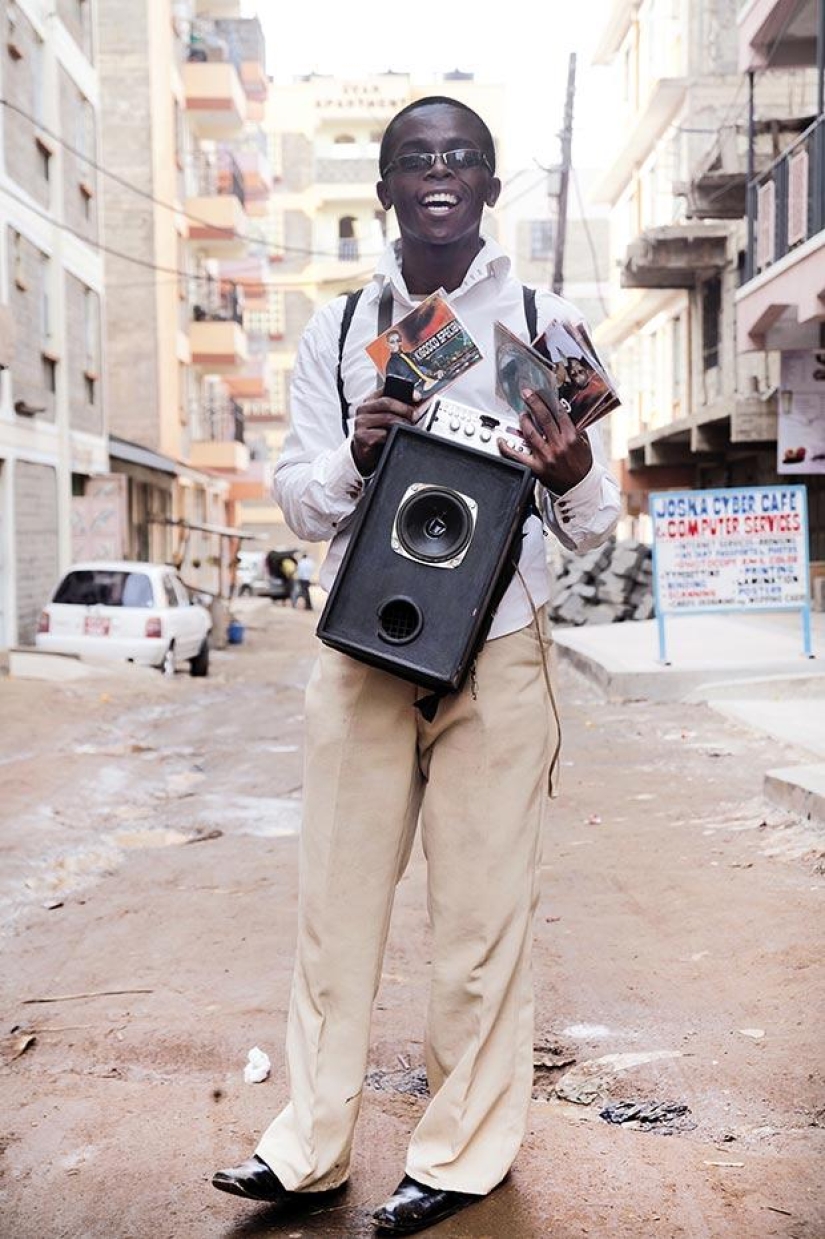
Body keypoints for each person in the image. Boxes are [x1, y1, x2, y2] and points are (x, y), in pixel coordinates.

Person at [212, 96, 620, 1234]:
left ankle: (460, 1156)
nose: (438, 173)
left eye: (463, 159)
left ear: (492, 186)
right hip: (364, 648)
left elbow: (596, 525)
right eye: (414, 159)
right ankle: (308, 1147)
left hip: (499, 647)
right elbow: (298, 503)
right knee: (333, 913)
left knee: (483, 923)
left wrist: (577, 468)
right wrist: (357, 448)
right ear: (382, 189)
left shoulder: (547, 321)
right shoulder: (340, 330)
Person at [385, 328, 444, 396]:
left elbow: (425, 363)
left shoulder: (410, 355)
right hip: (417, 391)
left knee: (446, 381)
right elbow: (393, 387)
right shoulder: (391, 365)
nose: (396, 344)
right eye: (392, 342)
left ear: (401, 341)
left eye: (398, 340)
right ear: (387, 344)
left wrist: (437, 370)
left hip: (428, 380)